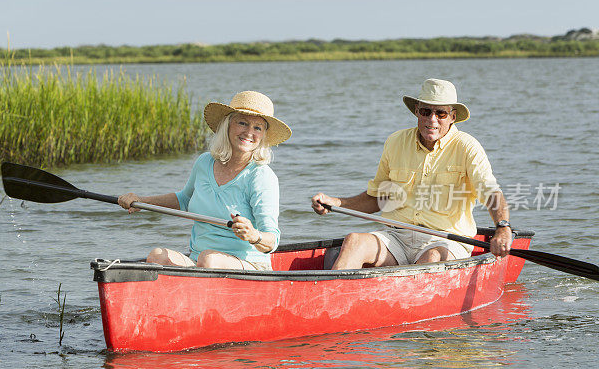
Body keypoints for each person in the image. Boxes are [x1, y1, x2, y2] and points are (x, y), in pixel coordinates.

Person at [311, 78, 513, 269]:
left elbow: (490, 193)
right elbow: (378, 199)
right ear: (417, 112)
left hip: (445, 241)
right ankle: (331, 302)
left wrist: (503, 227)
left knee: (432, 257)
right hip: (396, 237)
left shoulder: (468, 147)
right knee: (354, 241)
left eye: (440, 114)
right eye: (426, 111)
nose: (431, 119)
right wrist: (336, 203)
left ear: (452, 116)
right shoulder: (395, 141)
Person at [118, 91, 291, 270]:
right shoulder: (204, 162)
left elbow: (273, 240)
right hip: (200, 262)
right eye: (242, 123)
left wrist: (254, 235)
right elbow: (184, 199)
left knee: (209, 259)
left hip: (249, 265)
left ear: (263, 135)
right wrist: (141, 202)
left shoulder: (262, 177)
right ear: (228, 125)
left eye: (258, 128)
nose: (249, 132)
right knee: (157, 256)